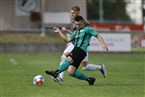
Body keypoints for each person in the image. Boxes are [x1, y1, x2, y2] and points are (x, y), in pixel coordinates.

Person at [45, 16, 108, 85]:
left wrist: (103, 44)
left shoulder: (87, 29)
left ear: (83, 23)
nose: (77, 26)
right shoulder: (75, 32)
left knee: (68, 59)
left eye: (79, 24)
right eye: (76, 24)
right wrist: (59, 31)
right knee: (71, 72)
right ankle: (89, 79)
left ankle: (56, 72)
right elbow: (67, 40)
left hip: (81, 50)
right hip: (77, 50)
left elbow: (98, 35)